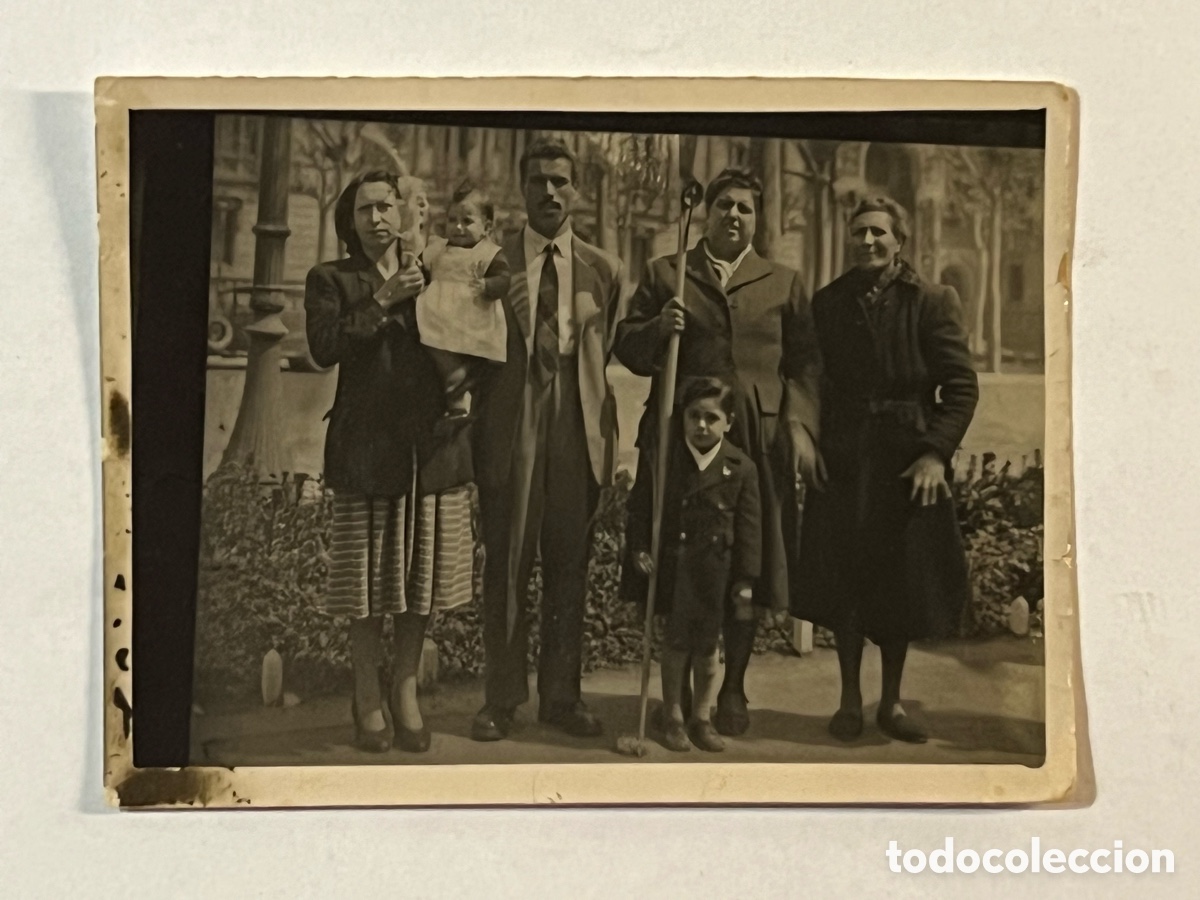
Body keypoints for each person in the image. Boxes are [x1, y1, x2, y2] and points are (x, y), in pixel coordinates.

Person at [613, 167, 821, 737]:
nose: (734, 216)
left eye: (746, 209)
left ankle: (731, 689)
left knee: (741, 561)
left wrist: (799, 425)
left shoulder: (783, 282)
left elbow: (805, 364)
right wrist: (658, 326)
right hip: (683, 437)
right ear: (706, 213)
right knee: (682, 563)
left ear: (759, 219)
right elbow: (627, 348)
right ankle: (675, 701)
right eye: (725, 205)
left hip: (755, 438)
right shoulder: (668, 274)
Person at [304, 170, 480, 754]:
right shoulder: (331, 278)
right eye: (364, 210)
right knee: (366, 586)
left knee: (417, 582)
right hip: (365, 450)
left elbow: (467, 335)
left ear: (403, 213)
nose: (377, 218)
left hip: (425, 450)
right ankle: (365, 697)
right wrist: (383, 299)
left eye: (386, 207)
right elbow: (325, 347)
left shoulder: (434, 271)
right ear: (348, 222)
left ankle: (405, 692)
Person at [792, 196, 979, 744]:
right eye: (859, 234)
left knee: (897, 584)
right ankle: (849, 700)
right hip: (846, 459)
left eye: (877, 233)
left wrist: (933, 454)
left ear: (901, 240)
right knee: (846, 581)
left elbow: (961, 388)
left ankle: (891, 702)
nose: (867, 242)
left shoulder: (932, 300)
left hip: (904, 461)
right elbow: (809, 376)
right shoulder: (829, 302)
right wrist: (805, 434)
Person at [470, 139, 624, 741]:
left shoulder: (605, 268)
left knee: (569, 564)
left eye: (561, 181)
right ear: (522, 189)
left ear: (577, 190)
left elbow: (602, 350)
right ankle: (501, 700)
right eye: (538, 182)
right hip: (513, 420)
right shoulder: (493, 262)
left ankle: (562, 698)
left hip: (577, 424)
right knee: (507, 562)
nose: (550, 192)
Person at [625, 377, 762, 752]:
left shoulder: (741, 467)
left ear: (729, 422)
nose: (702, 425)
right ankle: (673, 717)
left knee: (707, 650)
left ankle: (702, 717)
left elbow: (750, 529)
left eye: (712, 418)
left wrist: (746, 580)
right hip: (675, 570)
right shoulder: (666, 462)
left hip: (715, 574)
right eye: (694, 416)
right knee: (675, 646)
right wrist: (639, 549)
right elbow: (640, 509)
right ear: (682, 418)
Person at [416, 181, 511, 417]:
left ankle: (463, 387)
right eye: (452, 220)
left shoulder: (488, 253)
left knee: (475, 357)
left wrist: (489, 285)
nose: (457, 227)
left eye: (467, 221)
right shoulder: (438, 248)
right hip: (439, 314)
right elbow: (422, 267)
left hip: (472, 315)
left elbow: (504, 278)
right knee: (431, 344)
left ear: (487, 227)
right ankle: (456, 391)